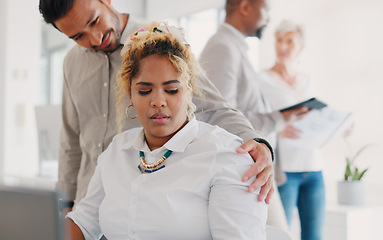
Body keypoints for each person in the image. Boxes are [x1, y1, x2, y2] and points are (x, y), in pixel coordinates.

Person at [38, 0, 276, 213]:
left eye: (94, 21)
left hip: (141, 208)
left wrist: (258, 142)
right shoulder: (71, 63)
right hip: (87, 207)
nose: (94, 39)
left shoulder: (158, 42)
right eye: (78, 36)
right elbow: (71, 139)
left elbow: (214, 108)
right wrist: (66, 204)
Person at [65, 22, 268, 240]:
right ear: (130, 96)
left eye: (171, 90)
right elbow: (84, 223)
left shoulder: (227, 157)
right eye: (144, 91)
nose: (158, 102)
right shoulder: (117, 150)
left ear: (189, 91)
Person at [199, 0, 310, 232]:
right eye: (266, 10)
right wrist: (280, 118)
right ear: (246, 7)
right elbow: (220, 114)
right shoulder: (223, 47)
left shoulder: (234, 46)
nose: (268, 19)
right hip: (246, 171)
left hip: (255, 169)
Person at [258, 19, 325, 240]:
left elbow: (314, 117)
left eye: (289, 41)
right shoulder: (263, 79)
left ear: (301, 48)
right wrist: (278, 128)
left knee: (314, 236)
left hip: (313, 168)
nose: (283, 46)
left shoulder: (307, 80)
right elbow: (257, 119)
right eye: (279, 40)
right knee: (280, 234)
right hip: (285, 171)